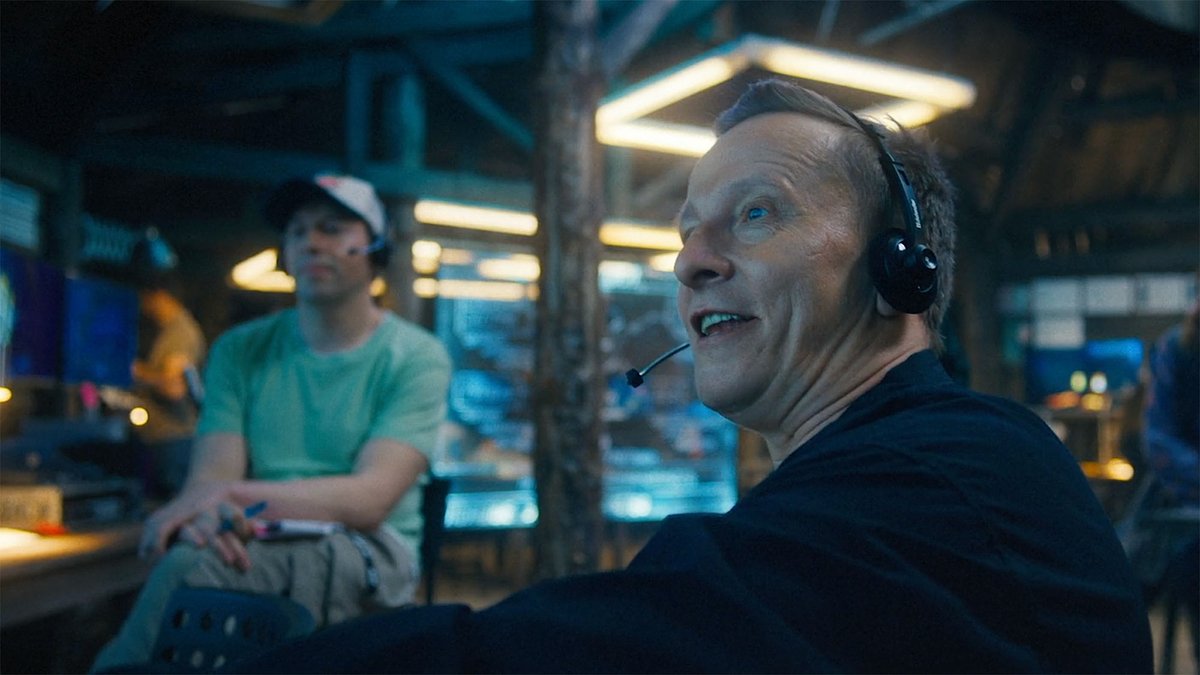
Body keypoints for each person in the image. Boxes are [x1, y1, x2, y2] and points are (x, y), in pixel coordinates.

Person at [239, 79, 1152, 673]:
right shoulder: (898, 467)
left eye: (756, 214)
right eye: (686, 232)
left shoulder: (944, 472)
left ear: (898, 268)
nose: (690, 263)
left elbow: (594, 650)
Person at [90, 173, 453, 672]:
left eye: (332, 228)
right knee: (198, 556)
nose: (311, 242)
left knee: (195, 574)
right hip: (256, 529)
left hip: (370, 544)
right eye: (297, 231)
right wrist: (215, 515)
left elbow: (370, 500)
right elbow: (211, 480)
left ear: (375, 248)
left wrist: (227, 497)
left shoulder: (415, 356)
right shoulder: (240, 350)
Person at [129, 248, 207, 499]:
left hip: (174, 439)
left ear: (157, 295)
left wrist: (136, 371)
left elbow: (174, 388)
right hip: (166, 439)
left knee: (170, 507)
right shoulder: (172, 331)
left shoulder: (180, 332)